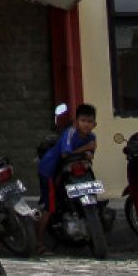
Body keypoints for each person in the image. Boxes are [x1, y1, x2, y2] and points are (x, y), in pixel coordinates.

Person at [37, 103, 97, 253]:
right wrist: (86, 150)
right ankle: (38, 243)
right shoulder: (70, 133)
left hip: (68, 170)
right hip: (50, 169)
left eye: (90, 122)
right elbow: (65, 154)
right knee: (49, 206)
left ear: (95, 124)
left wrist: (89, 152)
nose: (86, 125)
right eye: (83, 121)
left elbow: (92, 151)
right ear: (76, 122)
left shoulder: (92, 136)